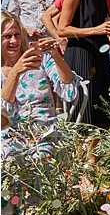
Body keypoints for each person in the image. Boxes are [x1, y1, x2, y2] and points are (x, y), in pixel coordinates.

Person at [57, 0, 110, 128]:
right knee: (84, 113)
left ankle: (98, 156)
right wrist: (96, 30)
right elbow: (62, 29)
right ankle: (84, 156)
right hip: (80, 54)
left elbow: (101, 20)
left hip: (100, 52)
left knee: (103, 109)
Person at [1, 12, 80, 153]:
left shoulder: (39, 59)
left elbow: (69, 90)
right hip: (11, 136)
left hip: (45, 131)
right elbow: (3, 116)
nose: (14, 41)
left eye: (17, 35)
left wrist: (54, 54)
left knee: (41, 157)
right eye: (7, 36)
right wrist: (15, 73)